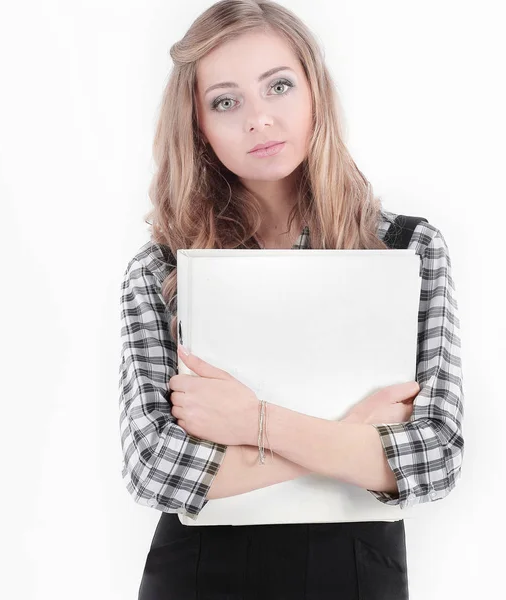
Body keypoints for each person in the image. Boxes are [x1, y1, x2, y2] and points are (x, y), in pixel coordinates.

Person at [117, 1, 465, 598]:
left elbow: (435, 459)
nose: (259, 119)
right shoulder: (163, 270)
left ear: (315, 94)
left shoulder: (406, 250)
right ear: (197, 124)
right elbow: (153, 469)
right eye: (225, 101)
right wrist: (352, 441)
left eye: (278, 87)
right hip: (199, 574)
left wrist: (251, 424)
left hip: (355, 576)